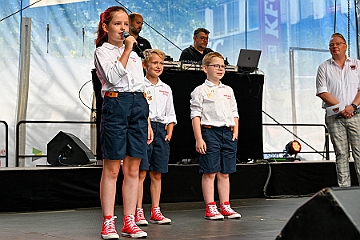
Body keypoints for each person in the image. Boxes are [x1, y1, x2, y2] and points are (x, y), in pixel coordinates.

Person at [94, 6, 153, 239]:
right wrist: (127, 50)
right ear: (106, 27)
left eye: (126, 25)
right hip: (116, 104)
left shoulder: (137, 57)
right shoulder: (103, 52)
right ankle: (109, 221)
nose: (123, 29)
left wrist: (147, 120)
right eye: (118, 24)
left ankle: (130, 221)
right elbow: (112, 77)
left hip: (138, 105)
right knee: (112, 167)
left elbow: (141, 87)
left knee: (133, 167)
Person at [190, 52, 241, 220]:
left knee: (225, 172)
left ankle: (225, 205)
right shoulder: (200, 91)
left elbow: (234, 111)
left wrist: (236, 129)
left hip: (228, 132)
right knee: (210, 171)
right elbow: (195, 115)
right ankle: (210, 206)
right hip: (210, 132)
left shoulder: (228, 90)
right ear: (205, 68)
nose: (220, 69)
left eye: (222, 66)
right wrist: (199, 138)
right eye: (216, 66)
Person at [135, 49, 177, 226]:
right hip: (144, 129)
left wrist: (170, 130)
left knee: (157, 173)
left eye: (161, 63)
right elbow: (140, 110)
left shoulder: (166, 88)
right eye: (154, 63)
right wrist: (147, 125)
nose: (158, 66)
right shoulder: (140, 85)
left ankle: (156, 210)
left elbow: (171, 113)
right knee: (141, 172)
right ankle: (137, 211)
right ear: (145, 65)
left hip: (161, 130)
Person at [316, 32, 360, 187]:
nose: (334, 47)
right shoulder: (324, 67)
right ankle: (345, 191)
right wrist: (342, 108)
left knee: (359, 152)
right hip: (335, 116)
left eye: (338, 44)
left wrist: (352, 106)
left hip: (356, 114)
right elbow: (322, 91)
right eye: (331, 45)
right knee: (341, 154)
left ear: (345, 46)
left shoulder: (357, 64)